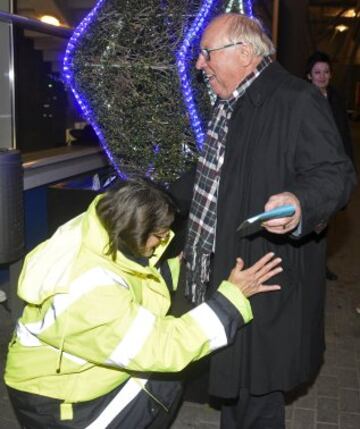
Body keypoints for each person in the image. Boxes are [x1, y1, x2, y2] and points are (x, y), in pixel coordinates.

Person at [172, 13, 357, 429]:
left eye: (207, 54)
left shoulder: (296, 99)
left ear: (243, 53)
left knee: (258, 391)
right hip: (228, 269)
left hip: (268, 275)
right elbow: (211, 176)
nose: (200, 64)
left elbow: (337, 174)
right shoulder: (230, 104)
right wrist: (159, 199)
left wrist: (299, 201)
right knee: (237, 385)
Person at [4, 179, 282, 429]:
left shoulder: (96, 228)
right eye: (160, 235)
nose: (163, 240)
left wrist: (176, 267)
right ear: (137, 230)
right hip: (56, 404)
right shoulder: (93, 296)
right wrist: (230, 300)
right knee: (163, 381)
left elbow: (130, 279)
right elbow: (165, 347)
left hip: (54, 376)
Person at [306, 51, 356, 281]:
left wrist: (350, 167)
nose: (322, 76)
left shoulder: (335, 98)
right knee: (311, 218)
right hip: (310, 168)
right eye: (317, 72)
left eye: (326, 72)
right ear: (309, 76)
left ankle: (320, 265)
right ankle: (305, 265)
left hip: (333, 168)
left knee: (328, 218)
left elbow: (344, 134)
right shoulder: (303, 99)